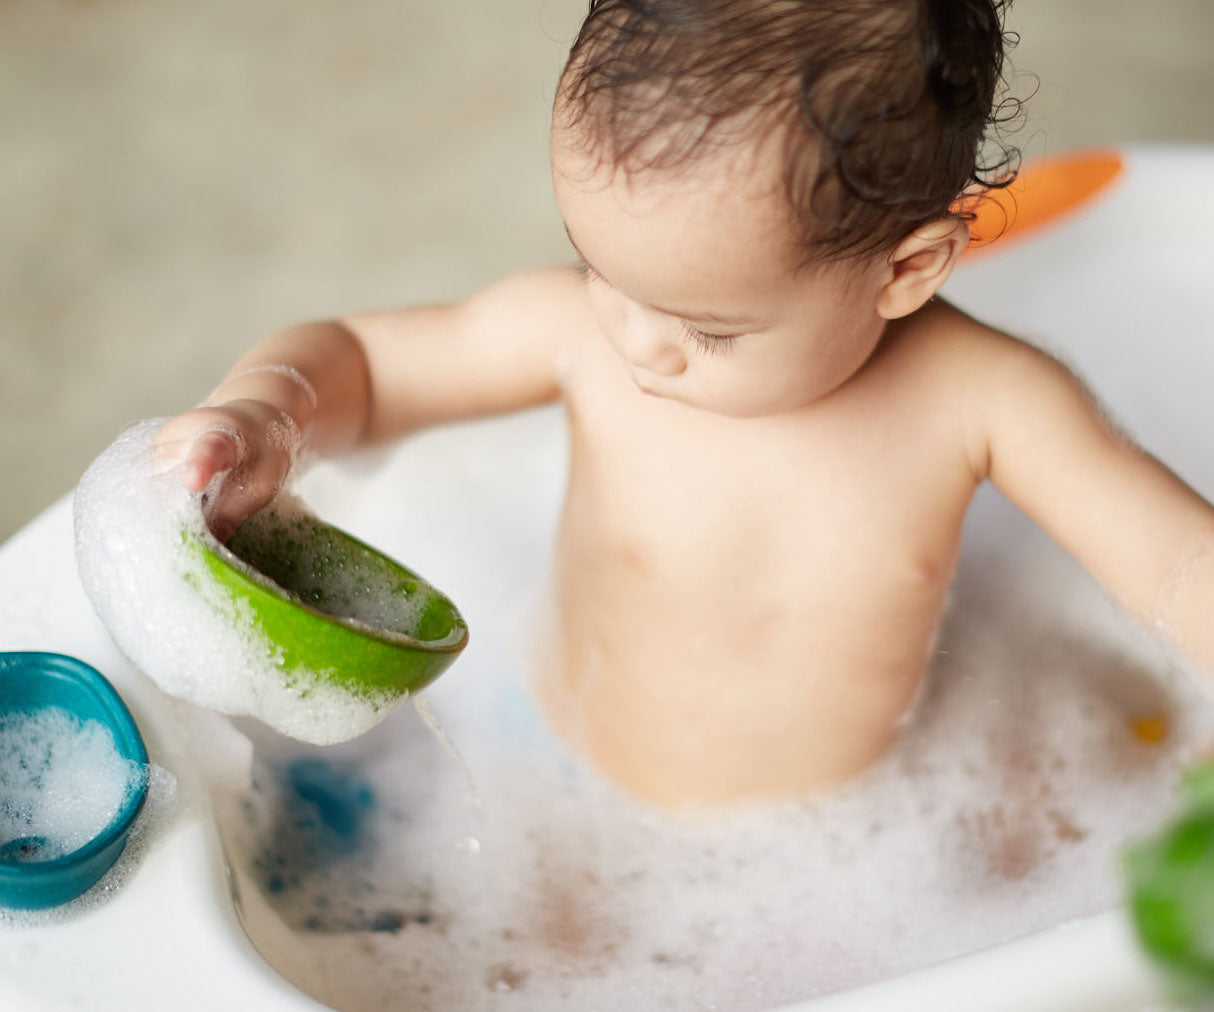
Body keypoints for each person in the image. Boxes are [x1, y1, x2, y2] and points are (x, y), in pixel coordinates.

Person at [155, 0, 1214, 808]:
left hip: (856, 823)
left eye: (709, 328)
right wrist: (263, 414)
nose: (635, 340)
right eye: (599, 268)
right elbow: (367, 367)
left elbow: (1171, 563)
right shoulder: (581, 330)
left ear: (906, 270)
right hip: (551, 770)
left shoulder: (980, 398)